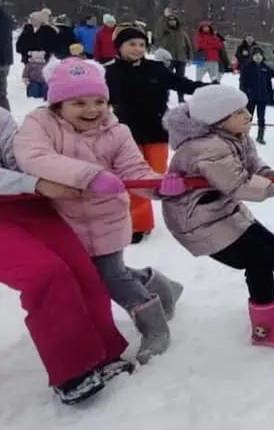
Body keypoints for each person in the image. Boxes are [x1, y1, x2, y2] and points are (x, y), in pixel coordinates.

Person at [13, 58, 188, 364]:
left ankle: (154, 326)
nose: (92, 110)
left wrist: (158, 187)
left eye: (99, 101)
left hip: (106, 217)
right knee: (101, 273)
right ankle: (161, 285)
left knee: (111, 278)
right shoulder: (39, 124)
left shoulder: (116, 131)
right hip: (63, 219)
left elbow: (135, 169)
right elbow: (33, 157)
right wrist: (90, 176)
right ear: (57, 104)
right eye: (78, 102)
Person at [162, 85, 274, 347]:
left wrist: (272, 175)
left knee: (267, 242)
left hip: (221, 208)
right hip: (198, 220)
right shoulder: (205, 148)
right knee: (256, 260)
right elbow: (240, 184)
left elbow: (253, 165)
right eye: (239, 112)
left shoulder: (236, 135)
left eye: (246, 110)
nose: (248, 116)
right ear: (218, 120)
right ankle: (264, 328)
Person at [0, 107, 134, 404]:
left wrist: (71, 171)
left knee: (81, 269)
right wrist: (36, 182)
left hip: (26, 202)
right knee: (44, 275)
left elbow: (19, 156)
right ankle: (72, 369)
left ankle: (103, 351)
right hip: (23, 196)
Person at [104, 22, 206, 244]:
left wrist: (206, 89)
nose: (138, 49)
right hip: (126, 134)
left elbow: (181, 83)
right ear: (119, 46)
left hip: (156, 131)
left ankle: (142, 219)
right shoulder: (108, 72)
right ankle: (135, 224)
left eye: (141, 44)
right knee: (133, 180)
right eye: (132, 44)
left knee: (152, 180)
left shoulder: (155, 69)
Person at [0, 4, 11, 110]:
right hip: (4, 60)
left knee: (1, 95)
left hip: (1, 61)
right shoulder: (4, 17)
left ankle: (5, 121)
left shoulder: (2, 18)